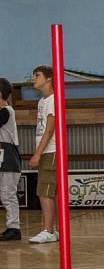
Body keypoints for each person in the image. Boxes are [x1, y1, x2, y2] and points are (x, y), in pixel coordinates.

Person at [28, 65, 58, 243]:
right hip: (45, 150)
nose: (33, 78)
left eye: (37, 75)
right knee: (47, 191)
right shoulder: (42, 101)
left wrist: (38, 153)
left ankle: (48, 230)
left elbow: (49, 129)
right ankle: (52, 229)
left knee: (45, 192)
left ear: (48, 78)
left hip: (50, 150)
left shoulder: (54, 99)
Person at [0, 78, 22, 241]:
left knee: (8, 194)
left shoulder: (7, 111)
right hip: (3, 158)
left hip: (8, 158)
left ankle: (14, 227)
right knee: (5, 194)